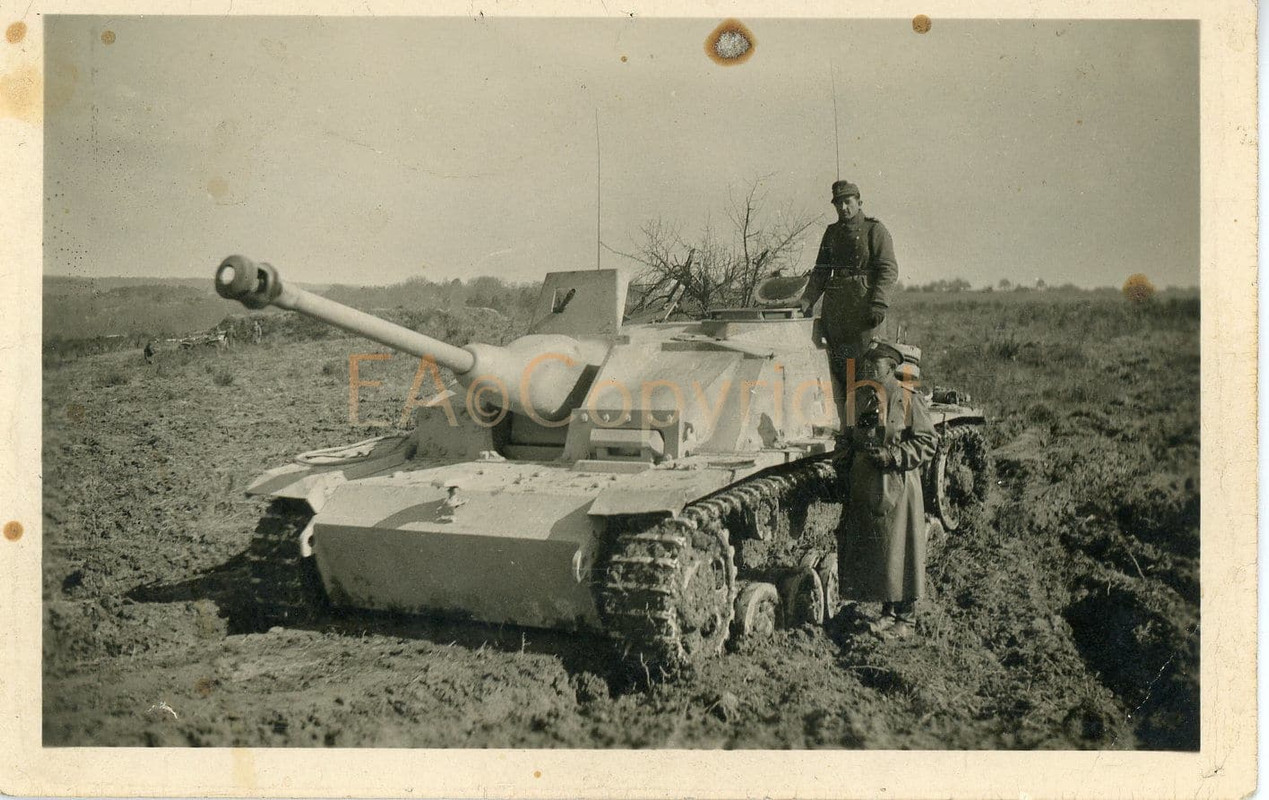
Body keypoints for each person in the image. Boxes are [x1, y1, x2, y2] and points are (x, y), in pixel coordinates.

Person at [837, 341, 937, 639]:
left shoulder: (907, 399)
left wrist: (894, 456)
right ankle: (888, 613)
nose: (868, 368)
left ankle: (905, 620)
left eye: (876, 364)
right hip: (867, 487)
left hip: (898, 486)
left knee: (901, 550)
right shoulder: (860, 398)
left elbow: (927, 442)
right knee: (882, 552)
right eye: (867, 363)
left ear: (891, 368)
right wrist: (842, 456)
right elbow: (847, 437)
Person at [798, 180, 899, 423]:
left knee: (866, 371)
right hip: (837, 312)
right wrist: (807, 300)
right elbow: (821, 271)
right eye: (838, 203)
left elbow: (888, 269)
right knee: (838, 370)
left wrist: (878, 304)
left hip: (864, 313)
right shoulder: (832, 233)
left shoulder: (874, 230)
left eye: (847, 202)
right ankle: (843, 426)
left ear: (859, 202)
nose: (843, 208)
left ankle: (869, 428)